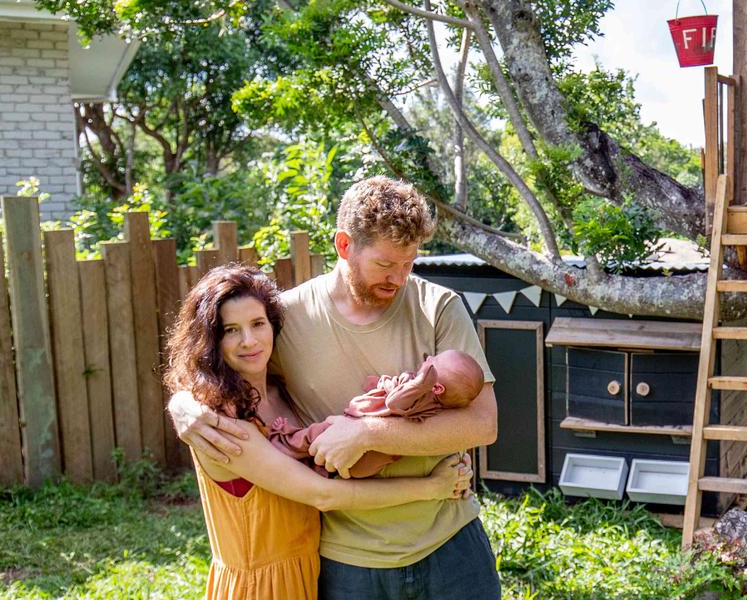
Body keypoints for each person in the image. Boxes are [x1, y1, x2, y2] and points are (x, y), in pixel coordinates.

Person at [170, 177, 501, 600]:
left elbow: (483, 425)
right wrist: (181, 404)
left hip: (450, 542)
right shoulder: (285, 319)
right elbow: (221, 362)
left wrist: (365, 433)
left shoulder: (437, 307)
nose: (399, 278)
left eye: (408, 263)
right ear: (344, 245)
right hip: (346, 560)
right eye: (385, 264)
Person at [268, 349, 487, 478]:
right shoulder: (435, 406)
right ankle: (308, 465)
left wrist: (419, 383)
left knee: (314, 435)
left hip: (361, 439)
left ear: (436, 388)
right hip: (371, 460)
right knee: (325, 463)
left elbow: (394, 402)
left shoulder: (421, 395)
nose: (428, 359)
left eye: (433, 362)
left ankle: (284, 441)